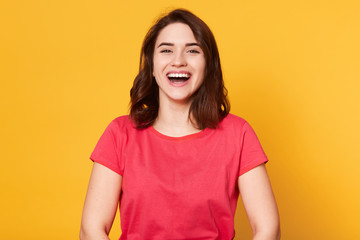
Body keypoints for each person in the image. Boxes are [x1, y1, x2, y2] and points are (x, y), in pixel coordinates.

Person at [80, 9, 280, 240]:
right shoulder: (119, 134)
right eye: (166, 50)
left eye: (192, 51)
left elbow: (268, 230)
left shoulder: (238, 134)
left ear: (208, 65)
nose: (178, 61)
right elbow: (91, 230)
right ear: (152, 67)